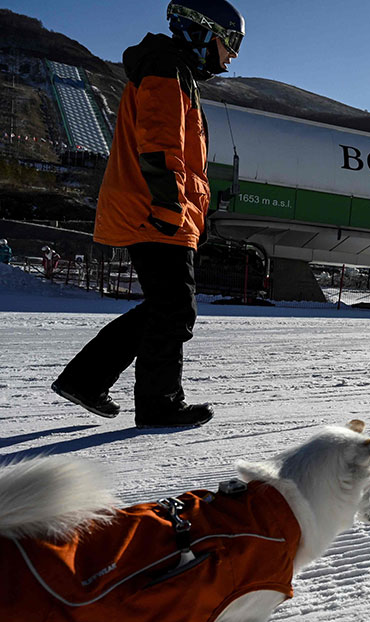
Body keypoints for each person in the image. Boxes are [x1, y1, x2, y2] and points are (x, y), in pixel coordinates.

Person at [51, 0, 244, 428]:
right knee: (175, 308)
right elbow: (159, 146)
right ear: (203, 33)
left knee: (166, 306)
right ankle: (158, 404)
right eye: (229, 45)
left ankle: (85, 380)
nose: (230, 58)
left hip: (161, 210)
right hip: (154, 210)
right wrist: (168, 206)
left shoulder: (173, 72)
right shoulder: (164, 70)